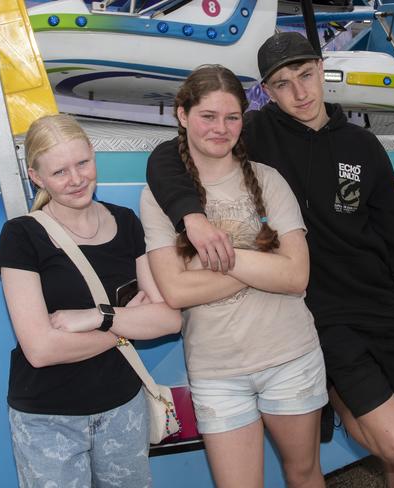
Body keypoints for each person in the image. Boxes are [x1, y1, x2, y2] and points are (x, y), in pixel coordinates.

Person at [146, 32, 394, 488]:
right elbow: (169, 155)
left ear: (322, 70)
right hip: (318, 318)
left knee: (392, 451)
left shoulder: (363, 147)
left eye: (305, 75)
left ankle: (337, 394)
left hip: (377, 310)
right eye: (282, 83)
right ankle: (335, 388)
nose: (299, 92)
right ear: (267, 90)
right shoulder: (255, 133)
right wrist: (192, 217)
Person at [140, 65, 328, 488]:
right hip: (216, 370)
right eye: (208, 116)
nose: (220, 128)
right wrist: (264, 265)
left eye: (232, 117)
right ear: (182, 115)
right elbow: (175, 290)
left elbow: (297, 276)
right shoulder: (160, 197)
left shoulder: (269, 180)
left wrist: (227, 261)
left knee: (304, 474)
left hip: (290, 357)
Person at [0, 114, 182, 488]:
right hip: (48, 419)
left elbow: (169, 319)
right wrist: (125, 323)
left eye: (82, 163)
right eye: (60, 172)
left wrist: (97, 316)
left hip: (123, 407)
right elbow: (41, 349)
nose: (77, 179)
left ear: (94, 156)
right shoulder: (21, 235)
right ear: (36, 177)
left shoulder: (126, 222)